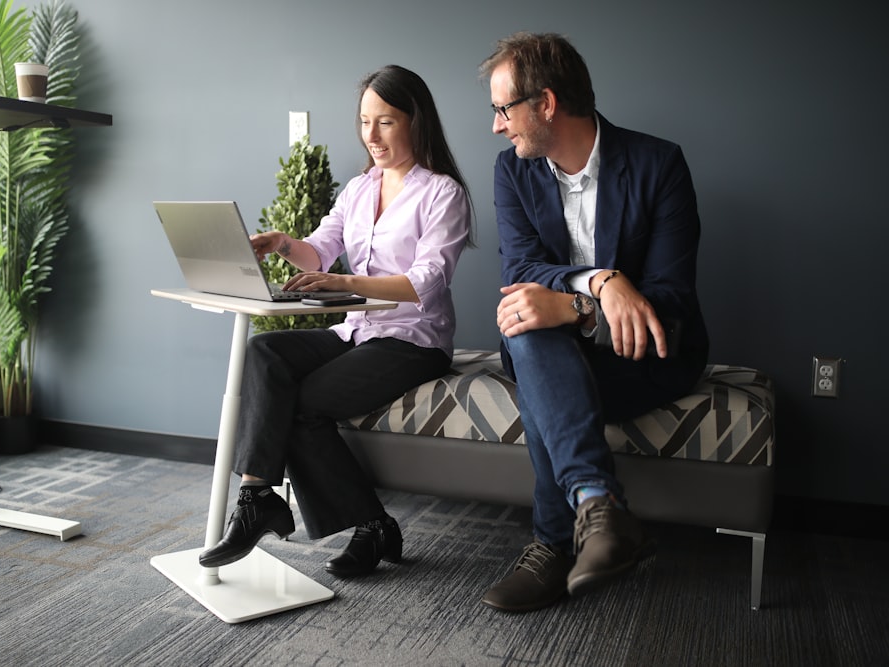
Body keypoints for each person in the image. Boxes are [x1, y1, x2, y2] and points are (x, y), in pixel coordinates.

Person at [198, 64, 472, 577]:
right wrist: (281, 243)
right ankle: (258, 496)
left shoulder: (442, 194)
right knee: (265, 351)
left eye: (385, 122)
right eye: (365, 121)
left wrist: (345, 284)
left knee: (299, 406)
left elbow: (425, 281)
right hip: (357, 331)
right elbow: (320, 252)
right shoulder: (358, 189)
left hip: (413, 340)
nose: (371, 135)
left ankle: (369, 526)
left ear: (416, 121)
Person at [478, 32, 709, 611]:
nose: (497, 125)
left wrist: (573, 307)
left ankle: (554, 543)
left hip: (645, 358)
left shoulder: (659, 164)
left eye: (503, 109)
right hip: (555, 350)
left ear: (546, 104)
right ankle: (599, 509)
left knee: (535, 354)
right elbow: (523, 269)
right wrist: (598, 285)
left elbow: (670, 300)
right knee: (526, 321)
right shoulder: (513, 173)